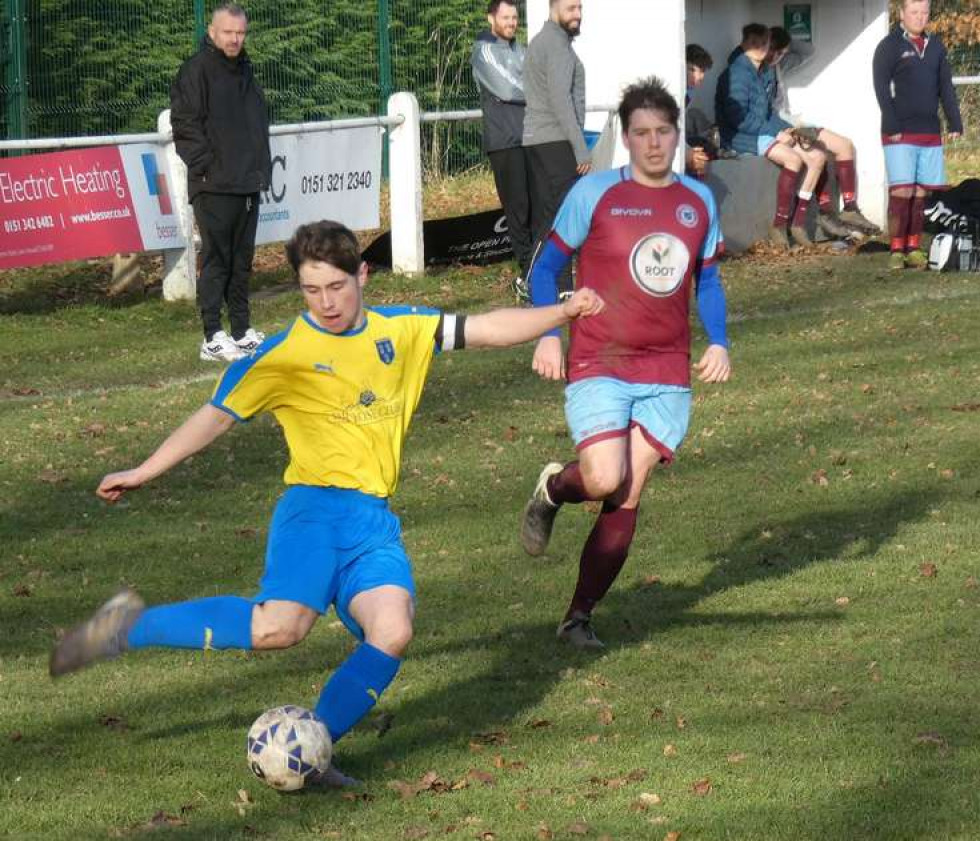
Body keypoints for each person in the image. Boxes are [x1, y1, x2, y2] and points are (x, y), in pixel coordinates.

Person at [49, 220, 604, 785]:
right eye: (311, 291)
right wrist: (144, 470)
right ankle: (126, 626)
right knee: (278, 630)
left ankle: (314, 752)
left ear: (362, 274)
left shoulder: (403, 328)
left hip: (372, 524)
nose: (325, 302)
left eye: (336, 287)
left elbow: (486, 328)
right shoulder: (284, 352)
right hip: (312, 514)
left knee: (393, 630)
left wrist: (562, 313)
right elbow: (215, 416)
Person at [520, 77, 731, 649]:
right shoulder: (594, 195)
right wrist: (548, 333)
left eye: (664, 131)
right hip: (599, 358)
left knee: (626, 490)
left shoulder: (698, 200)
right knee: (602, 478)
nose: (654, 143)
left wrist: (719, 340)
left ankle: (577, 618)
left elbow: (707, 279)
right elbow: (545, 271)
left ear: (676, 134)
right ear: (627, 137)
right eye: (642, 133)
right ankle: (554, 490)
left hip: (666, 369)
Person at [170, 3, 271, 362]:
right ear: (212, 32)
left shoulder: (246, 71)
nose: (234, 39)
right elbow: (185, 125)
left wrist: (259, 170)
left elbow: (254, 126)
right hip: (213, 184)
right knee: (217, 260)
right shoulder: (195, 71)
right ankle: (212, 335)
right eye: (228, 32)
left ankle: (241, 331)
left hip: (247, 182)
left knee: (242, 261)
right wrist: (207, 167)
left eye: (240, 33)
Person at [716, 23, 825, 249]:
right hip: (739, 136)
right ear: (744, 43)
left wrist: (789, 129)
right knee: (793, 159)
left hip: (761, 131)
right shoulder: (736, 73)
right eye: (754, 43)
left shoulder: (763, 71)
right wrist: (775, 132)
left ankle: (798, 224)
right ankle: (779, 225)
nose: (759, 48)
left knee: (817, 157)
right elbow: (739, 120)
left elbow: (767, 113)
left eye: (763, 43)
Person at [873, 0, 962, 270]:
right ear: (902, 14)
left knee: (921, 194)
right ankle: (896, 249)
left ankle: (913, 247)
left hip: (929, 132)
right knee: (902, 191)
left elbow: (945, 87)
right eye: (914, 12)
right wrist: (890, 122)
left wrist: (954, 121)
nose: (920, 17)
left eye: (924, 13)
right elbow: (880, 87)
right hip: (899, 131)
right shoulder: (888, 46)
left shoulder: (936, 46)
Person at [768, 27, 880, 238]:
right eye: (772, 50)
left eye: (780, 52)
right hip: (783, 126)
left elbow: (809, 51)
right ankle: (825, 213)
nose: (776, 56)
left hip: (792, 120)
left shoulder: (779, 64)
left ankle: (849, 209)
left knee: (845, 146)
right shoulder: (758, 70)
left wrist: (785, 42)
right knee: (819, 154)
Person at [523, 0, 589, 297]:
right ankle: (530, 279)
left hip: (541, 140)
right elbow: (561, 101)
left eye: (579, 8)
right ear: (553, 8)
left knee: (554, 214)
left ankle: (560, 285)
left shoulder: (545, 41)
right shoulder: (556, 44)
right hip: (555, 140)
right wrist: (580, 148)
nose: (576, 14)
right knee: (560, 215)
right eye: (570, 8)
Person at [471, 0, 533, 299]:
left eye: (514, 17)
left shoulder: (521, 50)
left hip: (532, 139)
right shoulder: (483, 50)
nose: (511, 22)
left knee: (537, 207)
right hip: (505, 143)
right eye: (506, 17)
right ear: (491, 18)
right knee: (518, 209)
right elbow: (508, 88)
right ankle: (527, 278)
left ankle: (539, 270)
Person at [685, 44, 716, 178]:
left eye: (703, 71)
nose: (701, 76)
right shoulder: (675, 89)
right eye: (694, 69)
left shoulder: (689, 91)